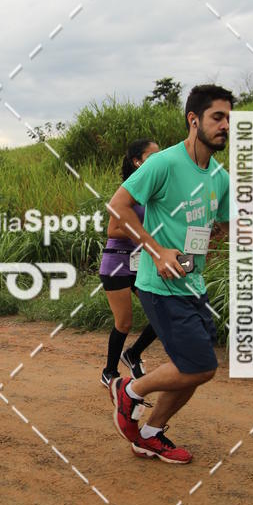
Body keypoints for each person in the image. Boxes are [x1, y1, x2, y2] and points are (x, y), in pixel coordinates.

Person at [108, 84, 253, 464]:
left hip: (193, 282)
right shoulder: (165, 163)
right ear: (194, 120)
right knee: (201, 366)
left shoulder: (218, 176)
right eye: (218, 117)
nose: (226, 125)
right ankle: (130, 390)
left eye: (230, 117)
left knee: (194, 368)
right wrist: (157, 250)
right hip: (161, 284)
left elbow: (230, 221)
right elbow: (118, 206)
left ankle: (150, 433)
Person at [99, 139, 160, 388]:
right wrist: (147, 231)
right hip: (117, 264)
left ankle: (133, 354)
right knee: (124, 322)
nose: (159, 159)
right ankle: (109, 372)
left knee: (161, 314)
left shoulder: (153, 191)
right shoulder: (130, 191)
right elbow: (112, 230)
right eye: (152, 156)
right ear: (138, 161)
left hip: (141, 263)